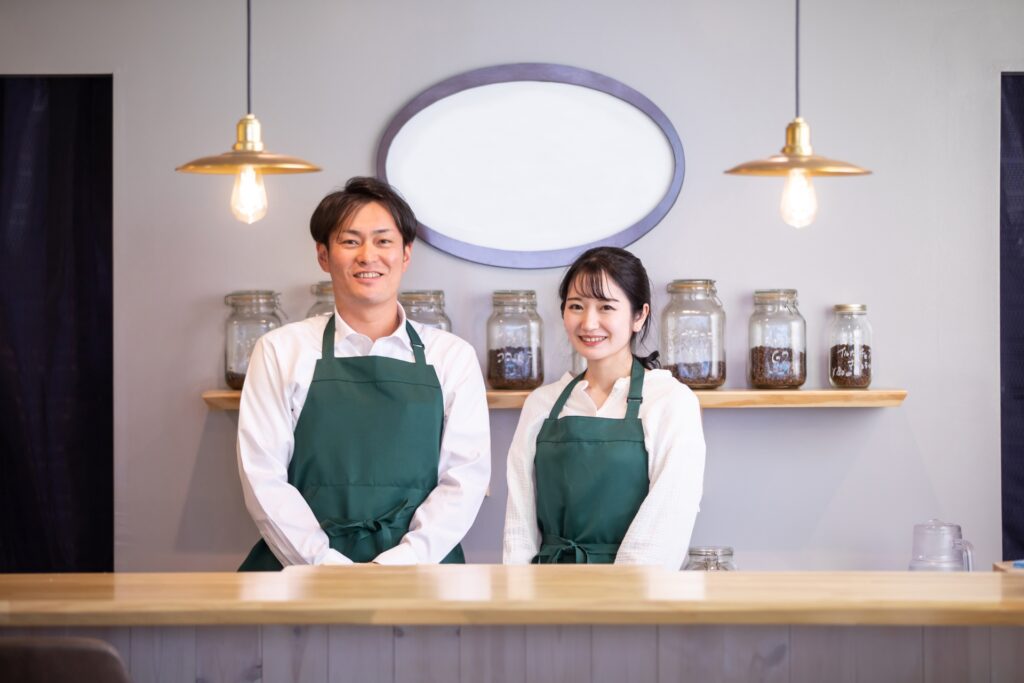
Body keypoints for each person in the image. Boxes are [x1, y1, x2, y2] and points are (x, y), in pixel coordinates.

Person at [237, 177, 490, 569]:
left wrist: (402, 563)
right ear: (323, 255)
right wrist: (323, 564)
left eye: (383, 241)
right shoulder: (279, 350)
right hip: (301, 569)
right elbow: (263, 478)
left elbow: (464, 480)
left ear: (406, 254)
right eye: (350, 241)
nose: (367, 255)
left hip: (423, 569)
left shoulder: (452, 357)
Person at [503, 246, 705, 569]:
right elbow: (518, 528)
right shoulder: (542, 404)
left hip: (635, 599)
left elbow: (668, 520)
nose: (589, 322)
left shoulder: (670, 401)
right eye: (576, 306)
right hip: (547, 595)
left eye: (606, 307)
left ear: (639, 316)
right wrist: (521, 598)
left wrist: (616, 600)